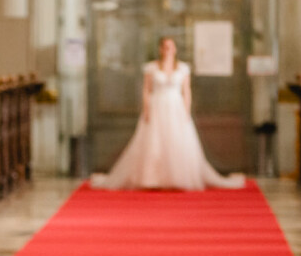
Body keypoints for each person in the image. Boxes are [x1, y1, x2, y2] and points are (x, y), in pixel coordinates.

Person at [91, 37, 245, 190]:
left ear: (175, 49)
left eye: (170, 47)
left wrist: (186, 110)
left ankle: (178, 176)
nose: (167, 50)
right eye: (165, 47)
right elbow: (146, 90)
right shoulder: (151, 68)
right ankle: (152, 178)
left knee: (177, 141)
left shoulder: (183, 68)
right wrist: (146, 110)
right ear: (160, 49)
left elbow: (186, 90)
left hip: (175, 108)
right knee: (154, 142)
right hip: (157, 107)